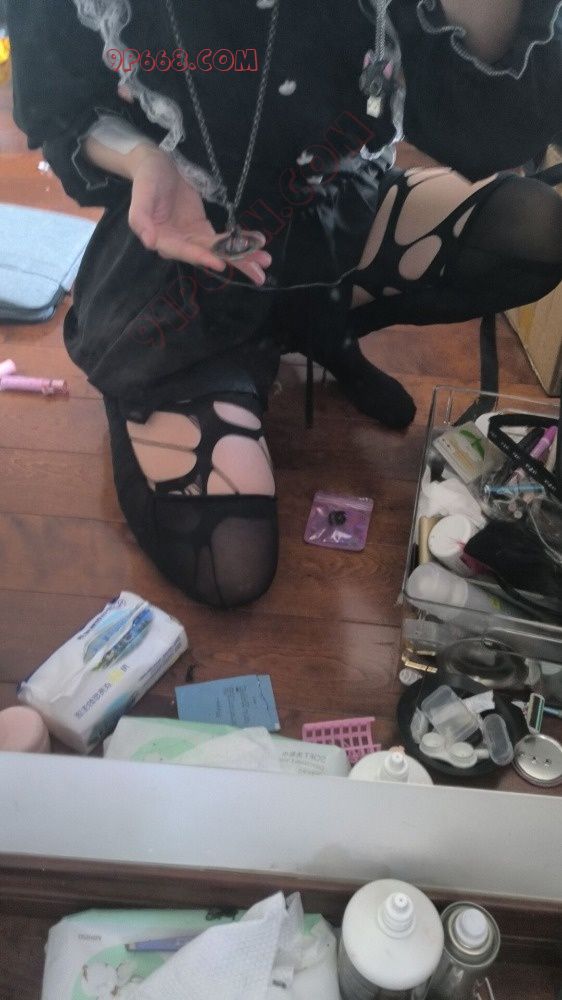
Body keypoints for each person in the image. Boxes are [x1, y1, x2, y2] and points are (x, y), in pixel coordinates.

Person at [9, 0, 562, 608]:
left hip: (326, 204)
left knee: (532, 233)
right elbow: (60, 108)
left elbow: (486, 130)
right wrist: (144, 161)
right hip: (183, 249)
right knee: (229, 561)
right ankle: (209, 363)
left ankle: (316, 322)